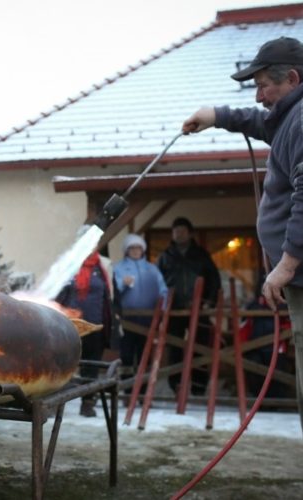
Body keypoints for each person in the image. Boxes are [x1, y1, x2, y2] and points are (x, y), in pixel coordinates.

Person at [182, 36, 303, 427]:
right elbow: (257, 121)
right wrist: (215, 114)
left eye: (263, 85)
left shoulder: (300, 120)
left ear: (293, 80)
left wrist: (286, 265)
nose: (257, 97)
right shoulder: (289, 118)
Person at [157, 217, 221, 396]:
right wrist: (163, 305)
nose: (179, 234)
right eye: (176, 231)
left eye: (183, 231)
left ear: (190, 233)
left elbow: (214, 280)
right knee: (174, 348)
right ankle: (175, 384)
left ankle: (199, 386)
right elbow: (159, 282)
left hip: (198, 308)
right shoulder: (165, 256)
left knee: (200, 347)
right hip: (174, 309)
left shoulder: (201, 254)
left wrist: (209, 301)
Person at [55, 250, 114, 417]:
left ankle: (87, 403)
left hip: (95, 324)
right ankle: (54, 402)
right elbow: (59, 292)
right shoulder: (69, 262)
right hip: (69, 325)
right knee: (62, 363)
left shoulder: (103, 265)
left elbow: (110, 294)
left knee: (92, 365)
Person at [114, 234, 167, 396]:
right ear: (126, 251)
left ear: (143, 250)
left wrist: (163, 310)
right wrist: (122, 283)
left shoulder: (152, 269)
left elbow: (163, 291)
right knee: (127, 355)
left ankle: (143, 392)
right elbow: (112, 290)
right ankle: (127, 391)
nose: (135, 251)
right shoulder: (119, 268)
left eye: (138, 248)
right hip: (126, 319)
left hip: (148, 318)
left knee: (145, 355)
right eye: (132, 248)